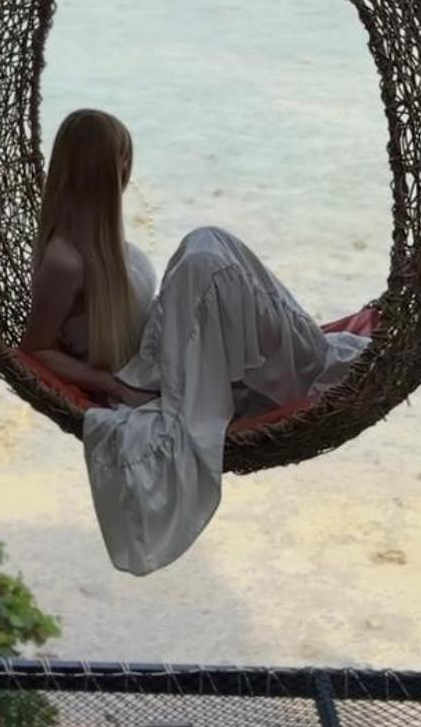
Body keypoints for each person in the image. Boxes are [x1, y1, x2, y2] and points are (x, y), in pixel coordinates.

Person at [21, 109, 369, 576]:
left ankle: (310, 359)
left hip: (164, 357)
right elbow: (35, 348)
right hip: (149, 380)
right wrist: (116, 388)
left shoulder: (101, 240)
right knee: (206, 257)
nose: (127, 171)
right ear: (101, 169)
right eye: (121, 159)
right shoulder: (65, 261)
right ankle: (311, 365)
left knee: (208, 245)